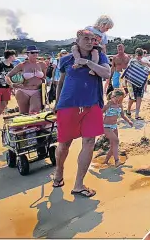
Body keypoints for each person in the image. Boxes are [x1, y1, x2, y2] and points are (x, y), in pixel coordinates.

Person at [52, 29, 111, 197]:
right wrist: (56, 103)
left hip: (92, 104)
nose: (89, 41)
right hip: (68, 105)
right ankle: (59, 172)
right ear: (77, 40)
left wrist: (88, 63)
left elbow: (106, 73)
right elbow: (60, 82)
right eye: (86, 38)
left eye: (92, 39)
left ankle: (78, 184)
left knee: (89, 142)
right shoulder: (65, 60)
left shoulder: (100, 57)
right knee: (64, 144)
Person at [6, 46, 47, 114]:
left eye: (36, 52)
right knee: (23, 114)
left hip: (37, 91)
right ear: (27, 54)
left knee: (34, 112)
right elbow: (8, 76)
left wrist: (44, 89)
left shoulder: (42, 64)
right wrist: (12, 84)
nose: (35, 54)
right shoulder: (22, 65)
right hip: (23, 91)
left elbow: (44, 78)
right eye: (32, 52)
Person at [102, 89, 133, 165]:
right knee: (116, 141)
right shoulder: (108, 105)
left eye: (120, 100)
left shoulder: (119, 106)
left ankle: (105, 161)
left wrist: (128, 121)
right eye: (117, 99)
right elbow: (99, 113)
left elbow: (123, 115)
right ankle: (117, 161)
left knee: (113, 145)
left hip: (114, 126)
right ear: (112, 96)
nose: (118, 101)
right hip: (106, 127)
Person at [125, 49, 150, 120]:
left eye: (139, 55)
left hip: (135, 81)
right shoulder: (133, 60)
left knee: (135, 97)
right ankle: (131, 111)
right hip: (137, 81)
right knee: (135, 97)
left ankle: (134, 113)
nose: (139, 57)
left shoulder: (141, 60)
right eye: (139, 55)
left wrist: (145, 63)